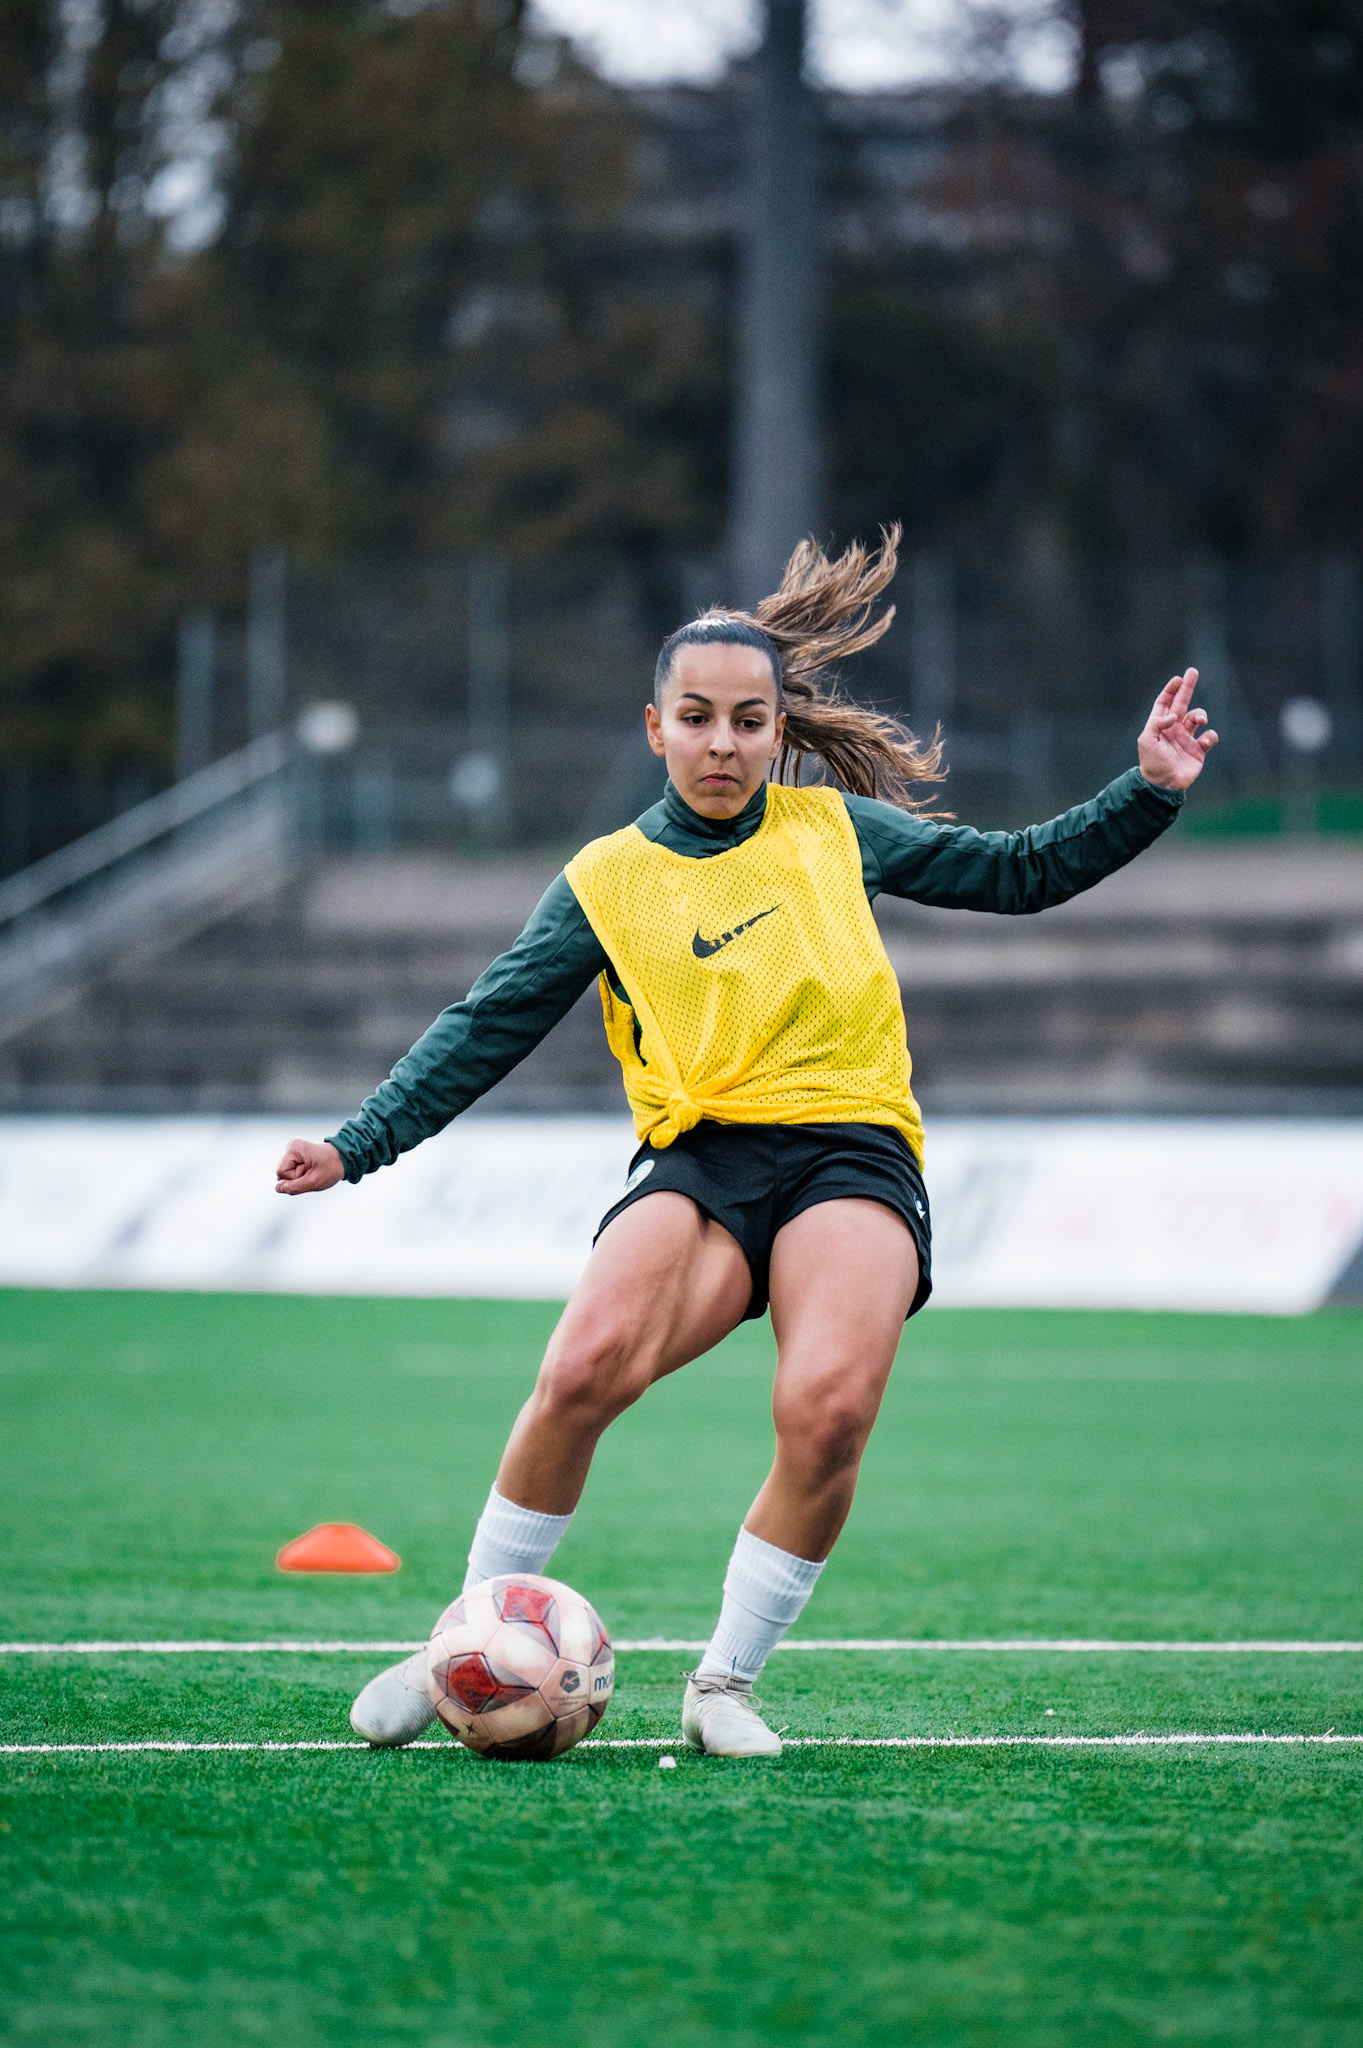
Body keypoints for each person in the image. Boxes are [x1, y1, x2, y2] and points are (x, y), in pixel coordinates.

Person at [275, 528, 1216, 1759]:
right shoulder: (606, 879)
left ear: (780, 730)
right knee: (583, 1366)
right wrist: (361, 1142)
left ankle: (723, 1681)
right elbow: (485, 1022)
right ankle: (465, 1633)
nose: (724, 742)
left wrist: (1145, 788)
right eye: (698, 716)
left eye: (750, 720)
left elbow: (1023, 871)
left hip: (852, 1154)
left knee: (827, 1412)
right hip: (703, 1159)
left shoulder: (838, 833)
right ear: (655, 723)